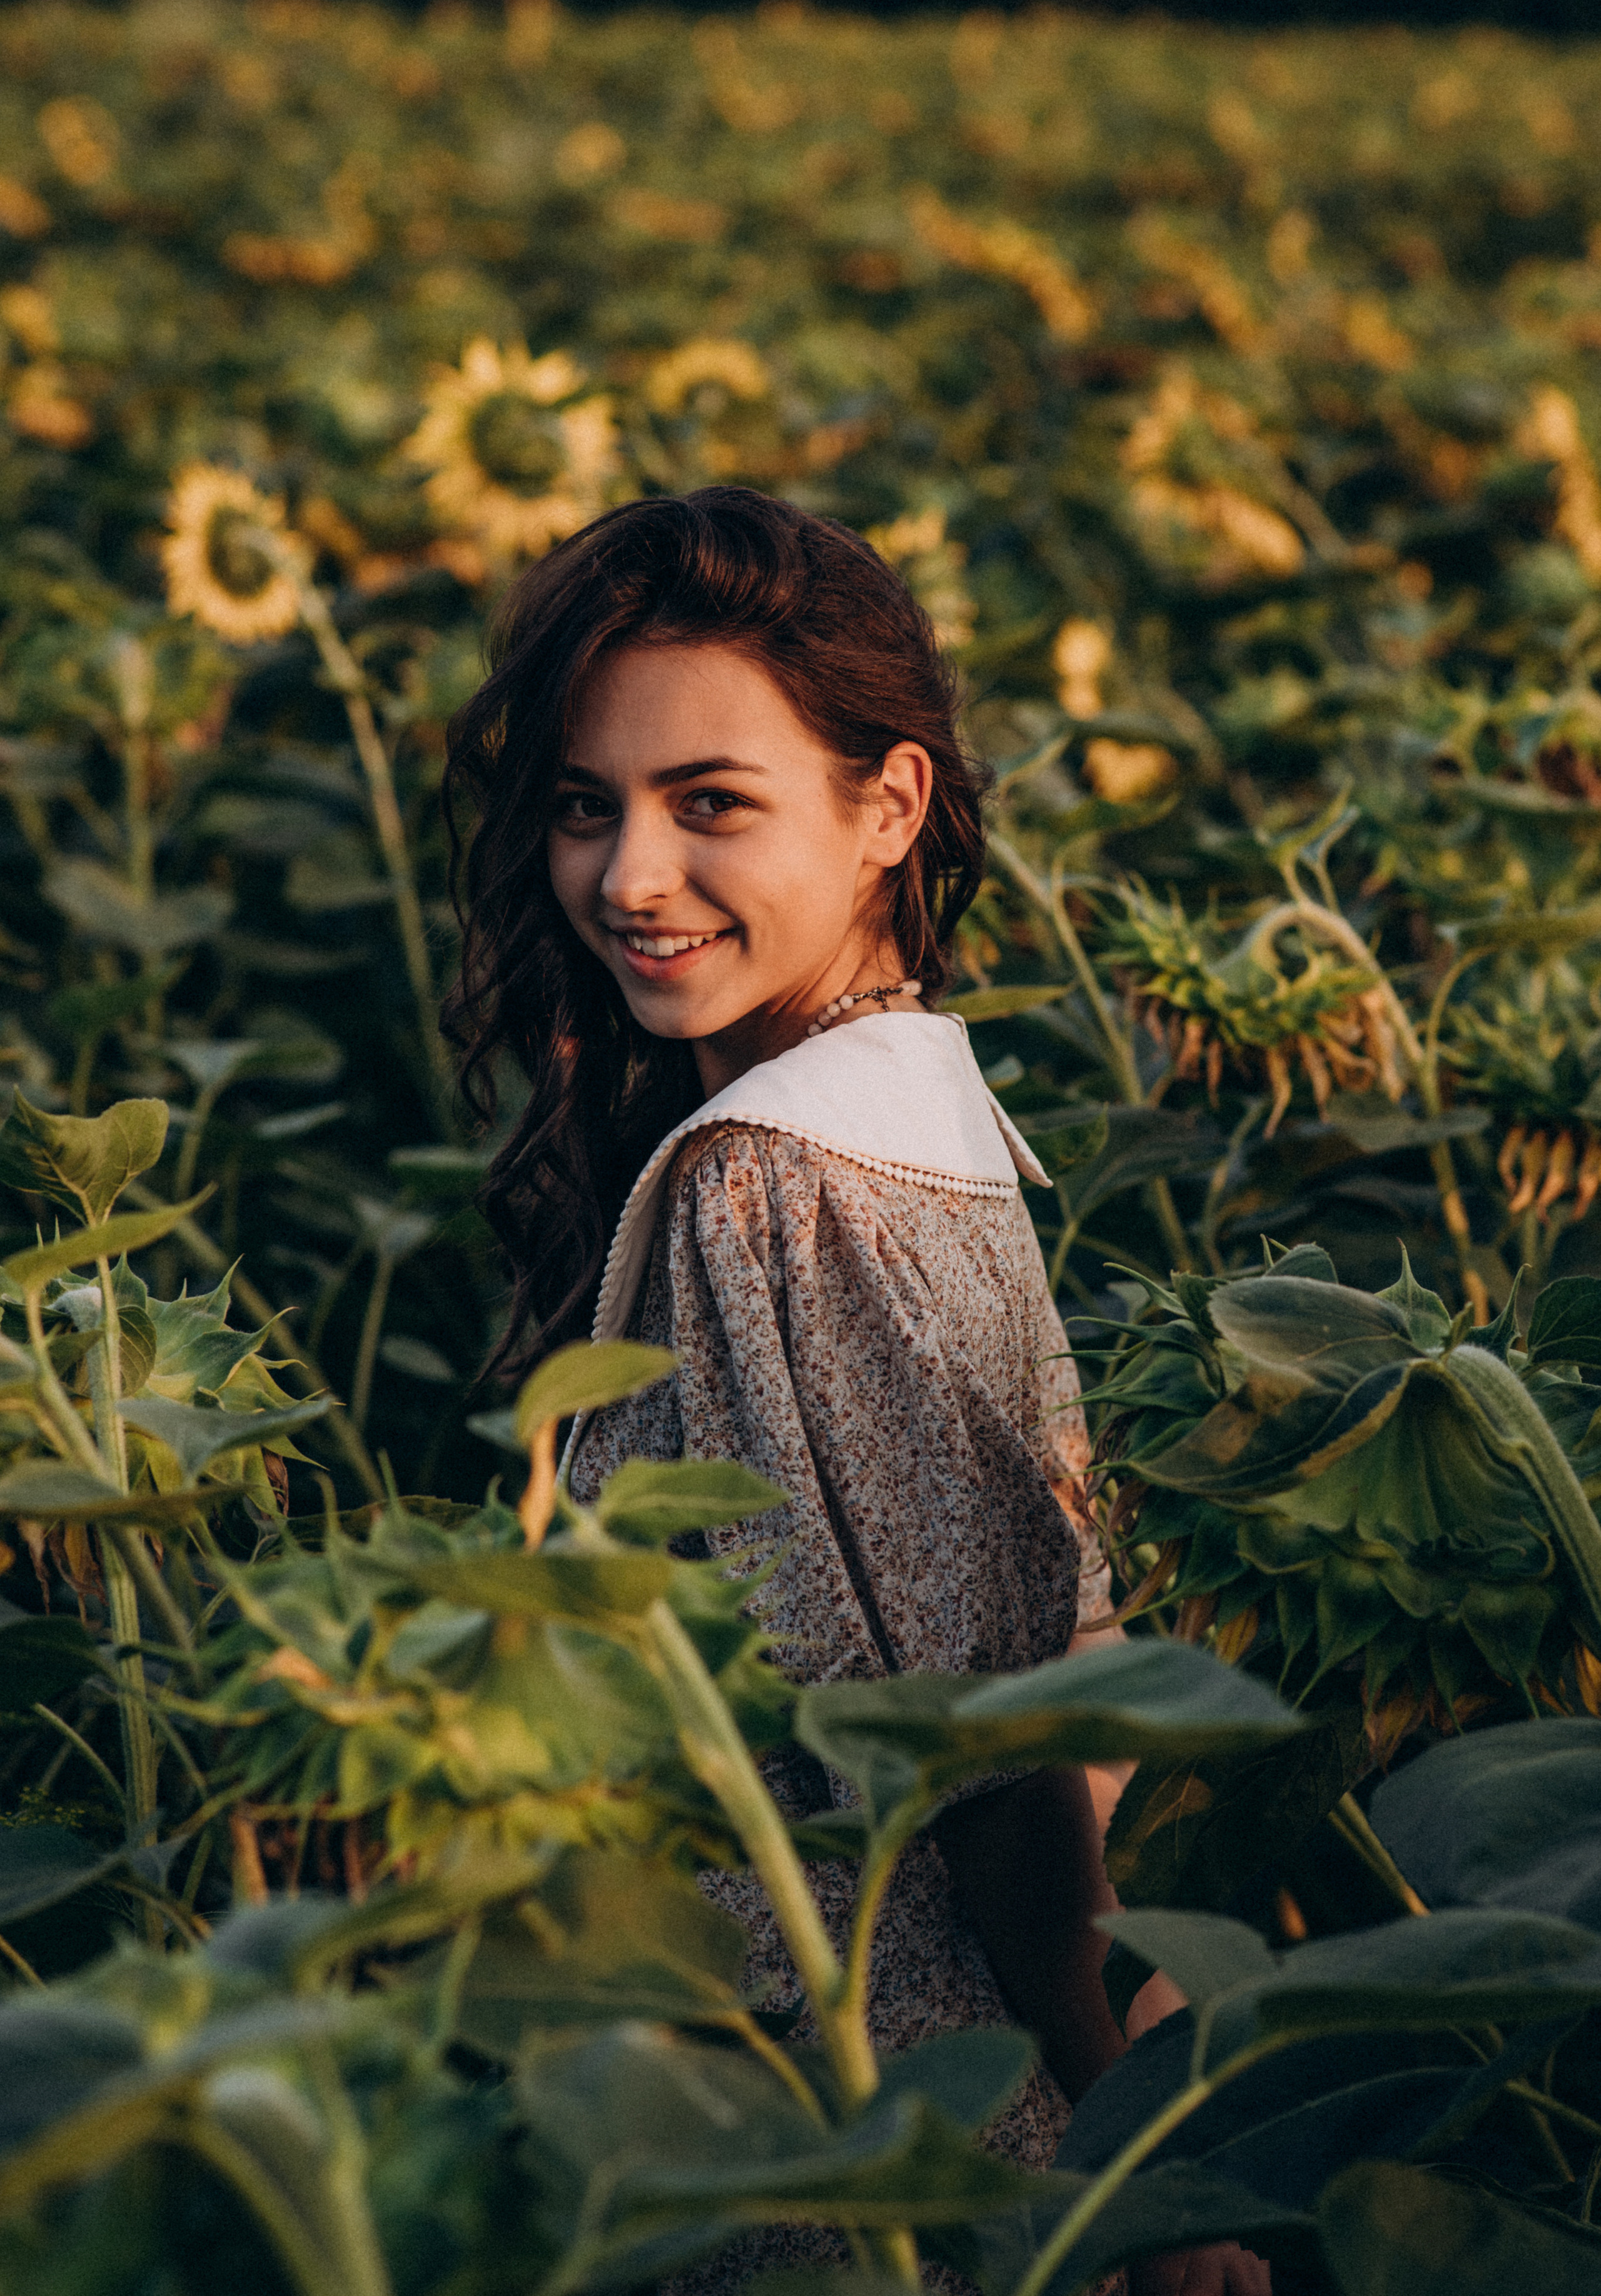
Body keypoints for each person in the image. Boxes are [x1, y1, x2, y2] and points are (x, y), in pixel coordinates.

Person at [443, 486, 1270, 2296]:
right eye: (588, 808)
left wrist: (1152, 2168)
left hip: (867, 2140)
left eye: (710, 803)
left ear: (887, 807)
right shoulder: (919, 1108)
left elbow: (985, 1750)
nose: (629, 878)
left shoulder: (783, 1182)